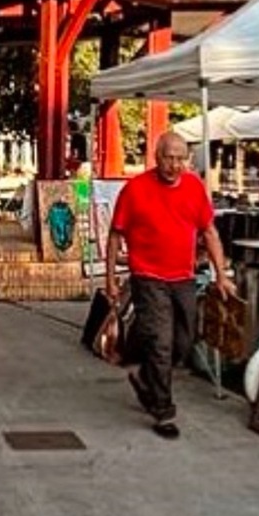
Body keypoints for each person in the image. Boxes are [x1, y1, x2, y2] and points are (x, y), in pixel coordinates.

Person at [106, 131, 235, 439]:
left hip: (183, 277)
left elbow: (210, 232)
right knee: (161, 343)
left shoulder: (194, 187)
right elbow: (115, 235)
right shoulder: (135, 189)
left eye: (180, 158)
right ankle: (163, 411)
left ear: (187, 159)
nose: (174, 165)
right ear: (156, 157)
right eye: (169, 157)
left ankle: (147, 379)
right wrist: (109, 279)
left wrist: (221, 274)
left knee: (184, 341)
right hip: (148, 278)